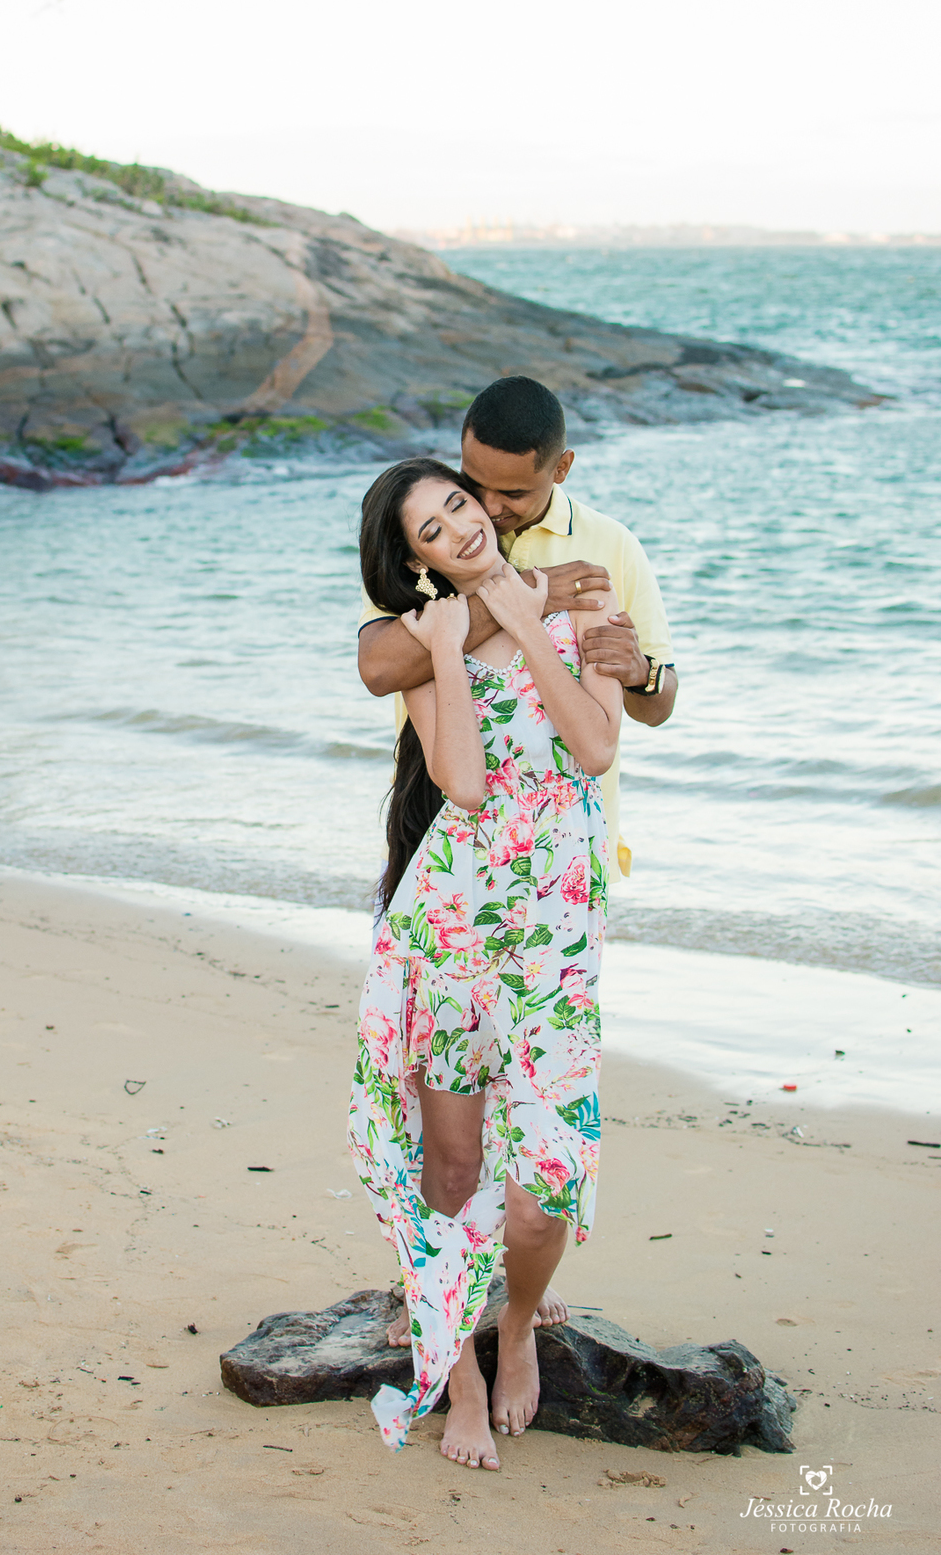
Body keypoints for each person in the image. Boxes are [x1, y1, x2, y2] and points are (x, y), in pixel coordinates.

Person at [348, 456, 622, 1468]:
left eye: (458, 505)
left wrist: (525, 609)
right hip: (454, 935)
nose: (457, 527)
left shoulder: (582, 599)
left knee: (547, 1183)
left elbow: (594, 747)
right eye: (431, 531)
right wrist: (459, 642)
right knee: (453, 1164)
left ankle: (518, 1324)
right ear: (416, 561)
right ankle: (458, 1370)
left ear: (485, 507)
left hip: (552, 939)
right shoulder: (427, 644)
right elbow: (460, 783)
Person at [358, 375, 677, 885]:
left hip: (569, 852)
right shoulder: (426, 542)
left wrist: (639, 672)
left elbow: (656, 707)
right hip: (441, 843)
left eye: (512, 492)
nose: (485, 505)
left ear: (562, 468)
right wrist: (534, 593)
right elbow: (379, 669)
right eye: (472, 482)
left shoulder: (611, 546)